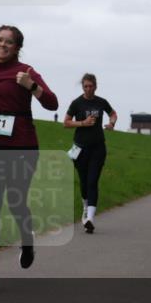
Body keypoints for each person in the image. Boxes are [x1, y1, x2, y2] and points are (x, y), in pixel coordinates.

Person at [0, 25, 58, 290]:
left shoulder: (27, 72)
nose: (2, 45)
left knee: (16, 201)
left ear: (17, 47)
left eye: (8, 42)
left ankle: (27, 240)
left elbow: (52, 103)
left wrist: (32, 87)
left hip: (22, 146)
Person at [63, 73, 117, 233]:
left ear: (95, 86)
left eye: (91, 86)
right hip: (80, 148)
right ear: (82, 87)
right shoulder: (77, 103)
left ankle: (90, 218)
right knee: (84, 181)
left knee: (93, 181)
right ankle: (85, 208)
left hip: (98, 148)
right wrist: (82, 123)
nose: (88, 89)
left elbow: (113, 113)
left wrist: (112, 123)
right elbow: (66, 122)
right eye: (85, 86)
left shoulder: (101, 102)